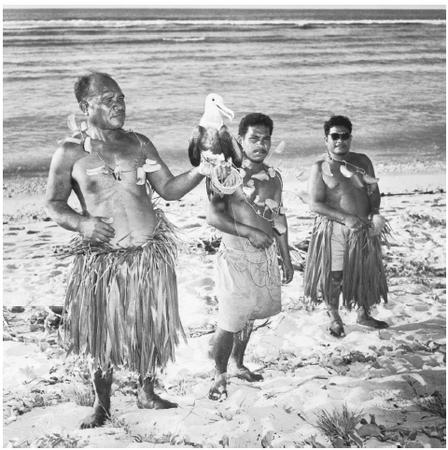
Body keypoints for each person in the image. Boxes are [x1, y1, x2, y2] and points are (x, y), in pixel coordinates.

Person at [45, 72, 206, 428]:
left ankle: (147, 391)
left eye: (121, 98)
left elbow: (170, 189)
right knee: (104, 332)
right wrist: (82, 224)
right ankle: (102, 403)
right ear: (86, 106)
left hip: (149, 256)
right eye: (108, 99)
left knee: (149, 324)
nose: (119, 104)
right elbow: (54, 205)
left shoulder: (139, 143)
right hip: (104, 262)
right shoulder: (70, 152)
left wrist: (202, 170)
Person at [206, 113, 294, 401]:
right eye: (254, 138)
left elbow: (278, 218)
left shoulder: (274, 176)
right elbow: (214, 217)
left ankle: (238, 363)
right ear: (240, 141)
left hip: (265, 255)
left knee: (251, 316)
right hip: (235, 255)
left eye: (266, 138)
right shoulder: (226, 174)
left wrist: (286, 255)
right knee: (230, 319)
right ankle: (219, 374)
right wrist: (248, 232)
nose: (261, 144)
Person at [303, 115, 389, 338]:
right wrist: (345, 219)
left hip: (363, 229)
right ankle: (334, 317)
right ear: (326, 139)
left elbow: (374, 192)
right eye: (335, 136)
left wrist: (375, 214)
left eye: (345, 136)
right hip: (334, 229)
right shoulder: (320, 167)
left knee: (363, 273)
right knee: (334, 275)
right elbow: (315, 204)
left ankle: (363, 314)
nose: (340, 140)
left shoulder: (362, 161)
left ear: (350, 137)